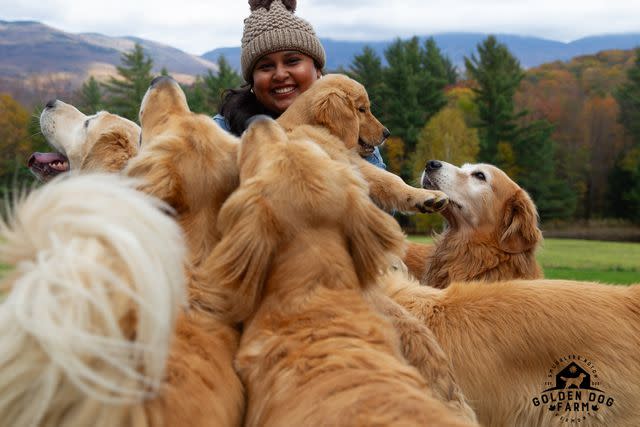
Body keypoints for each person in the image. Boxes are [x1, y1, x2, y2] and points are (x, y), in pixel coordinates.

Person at [213, 0, 386, 169]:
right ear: (252, 80)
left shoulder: (356, 134)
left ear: (317, 69)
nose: (280, 75)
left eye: (292, 61)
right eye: (265, 66)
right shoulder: (220, 134)